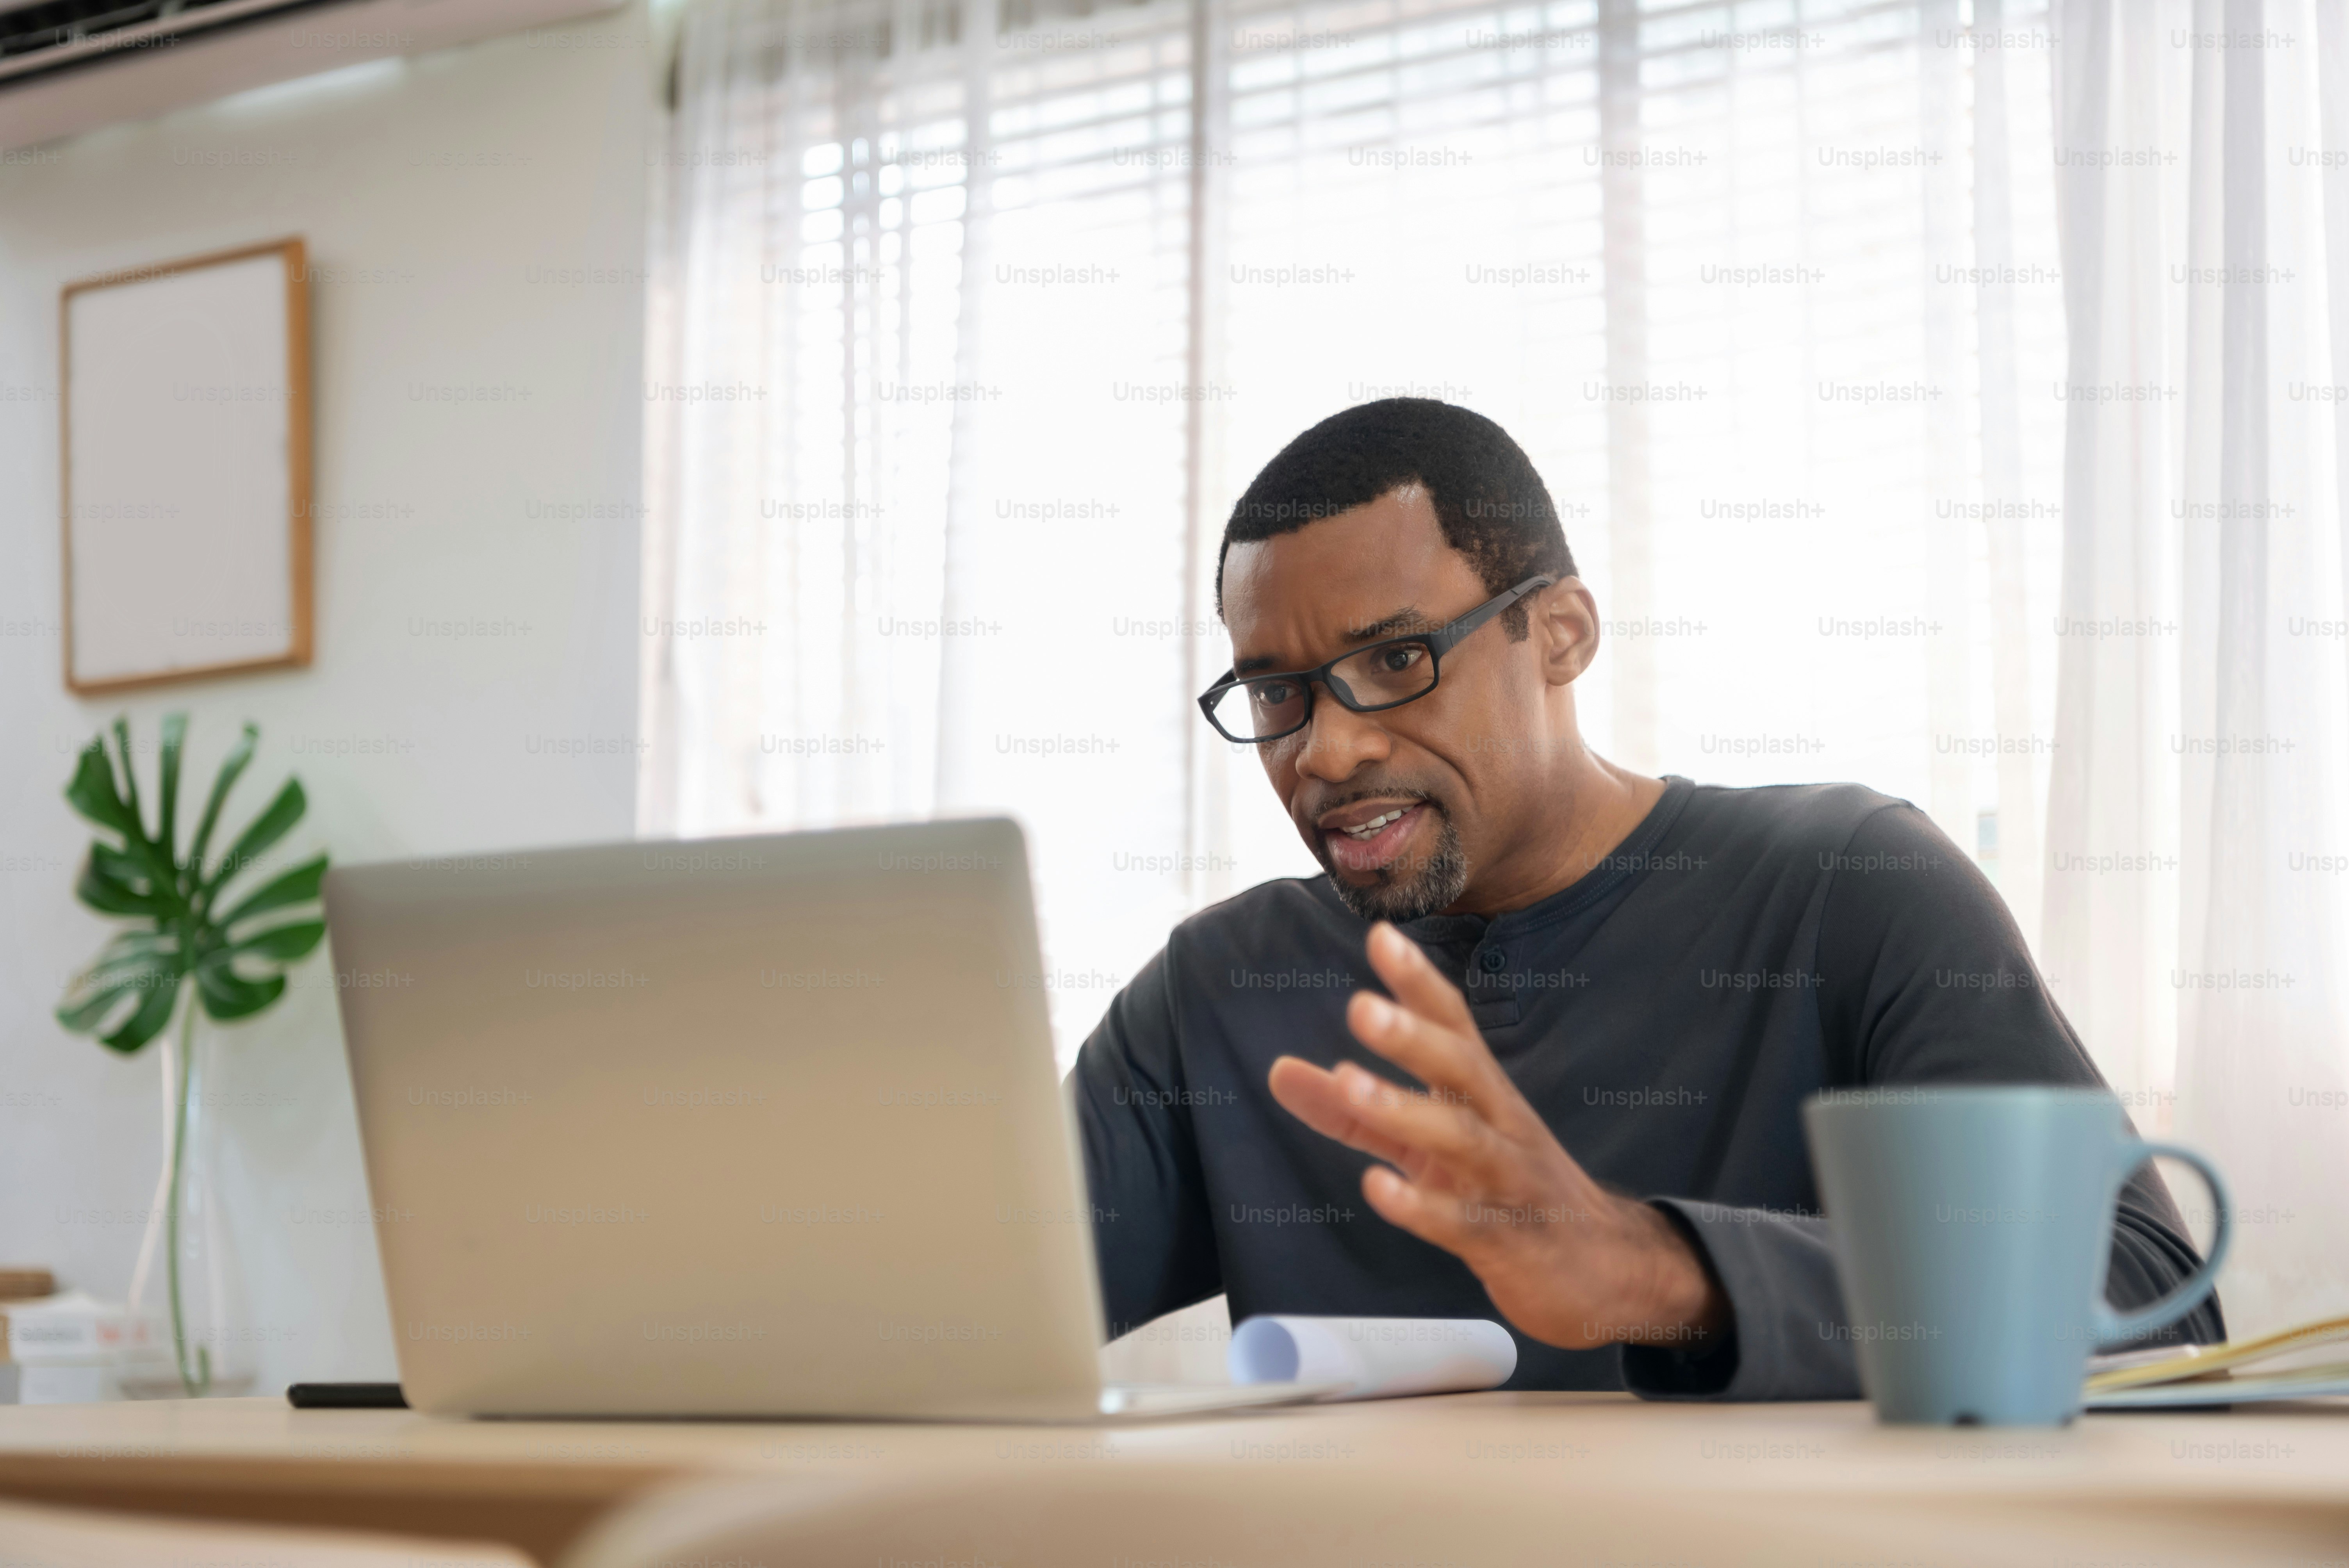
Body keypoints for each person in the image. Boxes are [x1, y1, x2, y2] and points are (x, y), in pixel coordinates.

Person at [1069, 397, 2220, 1398]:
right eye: (1278, 693)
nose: (1326, 751)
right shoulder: (1217, 988)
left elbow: (2152, 1300)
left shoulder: (1849, 880)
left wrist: (1654, 1271)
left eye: (1395, 661)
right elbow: (959, 1307)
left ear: (1560, 634)